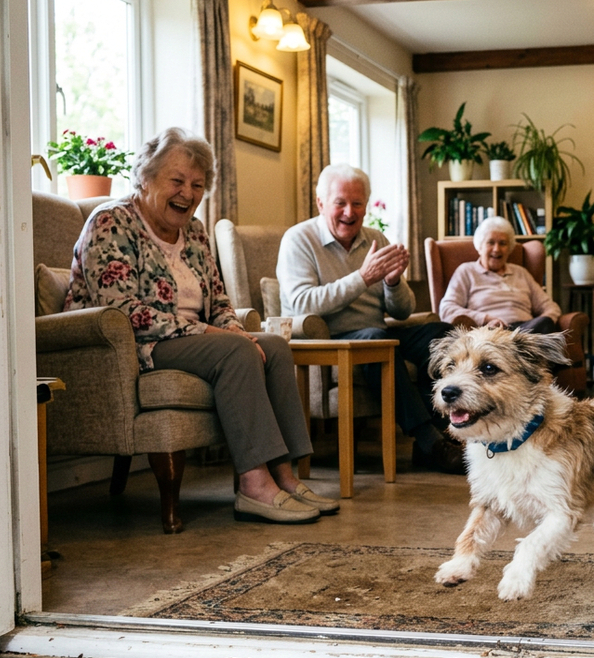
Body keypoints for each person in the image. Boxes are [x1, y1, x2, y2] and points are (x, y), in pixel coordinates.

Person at [66, 127, 333, 524]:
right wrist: (217, 335)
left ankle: (284, 475)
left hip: (194, 343)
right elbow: (120, 309)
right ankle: (253, 485)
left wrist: (237, 331)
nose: (187, 193)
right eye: (176, 180)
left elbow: (219, 301)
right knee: (236, 349)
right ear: (145, 177)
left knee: (274, 346)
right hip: (140, 344)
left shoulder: (194, 232)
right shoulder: (111, 223)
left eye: (197, 184)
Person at [276, 164, 464, 474]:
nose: (349, 212)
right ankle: (431, 443)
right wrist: (362, 278)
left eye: (358, 203)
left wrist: (392, 282)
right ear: (321, 203)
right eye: (340, 202)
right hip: (331, 341)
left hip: (377, 333)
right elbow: (300, 303)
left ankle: (445, 435)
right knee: (378, 342)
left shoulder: (374, 237)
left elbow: (402, 311)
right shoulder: (298, 239)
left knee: (443, 334)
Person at [439, 216, 562, 333]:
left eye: (503, 243)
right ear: (479, 246)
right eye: (491, 242)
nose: (496, 249)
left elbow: (551, 307)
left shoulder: (521, 273)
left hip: (525, 331)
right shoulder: (467, 271)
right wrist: (486, 319)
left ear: (509, 249)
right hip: (488, 333)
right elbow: (447, 309)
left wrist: (544, 321)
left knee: (544, 324)